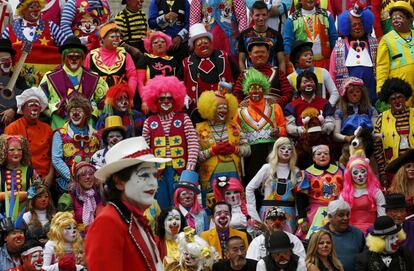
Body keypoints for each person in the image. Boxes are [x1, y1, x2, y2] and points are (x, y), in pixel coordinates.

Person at [85, 136, 170, 270]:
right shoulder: (107, 222)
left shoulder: (135, 219)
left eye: (154, 175)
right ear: (119, 182)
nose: (153, 182)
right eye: (144, 175)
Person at [142, 76, 199, 209]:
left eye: (170, 98)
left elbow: (193, 143)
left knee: (182, 206)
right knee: (162, 207)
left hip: (181, 171)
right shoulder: (149, 122)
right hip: (158, 173)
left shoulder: (184, 118)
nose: (166, 101)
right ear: (155, 100)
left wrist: (190, 168)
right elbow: (144, 149)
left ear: (176, 99)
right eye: (162, 98)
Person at [39, 36, 108, 130]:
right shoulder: (49, 77)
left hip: (88, 128)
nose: (74, 59)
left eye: (77, 56)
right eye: (70, 56)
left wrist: (93, 112)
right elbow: (39, 101)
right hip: (60, 126)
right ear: (64, 57)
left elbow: (106, 101)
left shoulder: (94, 77)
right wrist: (53, 113)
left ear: (82, 57)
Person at [196, 90, 250, 206]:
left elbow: (248, 150)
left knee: (236, 206)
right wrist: (212, 151)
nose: (223, 110)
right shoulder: (199, 129)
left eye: (225, 107)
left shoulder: (235, 126)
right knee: (213, 209)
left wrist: (234, 149)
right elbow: (196, 157)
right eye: (219, 107)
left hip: (234, 176)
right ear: (210, 108)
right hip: (210, 178)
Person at [234, 68, 287, 187]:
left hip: (270, 152)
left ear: (264, 90)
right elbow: (234, 131)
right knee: (252, 183)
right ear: (247, 91)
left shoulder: (275, 107)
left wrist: (278, 131)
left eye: (258, 88)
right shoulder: (240, 111)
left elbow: (284, 128)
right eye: (252, 89)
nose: (255, 92)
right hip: (251, 157)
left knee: (271, 182)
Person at [246, 137, 307, 232]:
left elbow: (300, 196)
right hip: (268, 213)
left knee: (287, 242)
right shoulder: (267, 168)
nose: (286, 151)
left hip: (289, 215)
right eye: (282, 148)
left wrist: (301, 217)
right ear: (276, 149)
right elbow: (249, 188)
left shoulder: (296, 171)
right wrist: (253, 215)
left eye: (289, 149)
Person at [2, 0, 66, 87]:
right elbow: (2, 54)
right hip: (15, 86)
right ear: (23, 10)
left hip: (46, 86)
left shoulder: (51, 26)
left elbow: (67, 47)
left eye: (38, 7)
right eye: (32, 7)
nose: (36, 10)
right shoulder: (10, 30)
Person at [182, 23, 239, 113]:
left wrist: (237, 95)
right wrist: (183, 97)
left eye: (205, 42)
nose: (203, 45)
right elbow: (178, 84)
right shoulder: (186, 62)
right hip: (198, 111)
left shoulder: (224, 56)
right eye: (199, 44)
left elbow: (238, 77)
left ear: (211, 43)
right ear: (194, 48)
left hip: (224, 107)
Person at [51, 95, 100, 197]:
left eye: (79, 110)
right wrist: (72, 177)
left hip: (92, 185)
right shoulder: (60, 134)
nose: (75, 113)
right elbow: (56, 159)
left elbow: (99, 159)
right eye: (72, 111)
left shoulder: (96, 135)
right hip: (67, 186)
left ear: (86, 113)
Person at [330, 5, 378, 103]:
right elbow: (332, 74)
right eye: (354, 25)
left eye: (360, 24)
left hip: (373, 97)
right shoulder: (338, 47)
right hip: (347, 102)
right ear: (347, 26)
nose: (357, 27)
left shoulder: (376, 44)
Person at [5, 87, 54, 185]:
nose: (34, 108)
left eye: (37, 105)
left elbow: (54, 156)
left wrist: (50, 176)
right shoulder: (12, 128)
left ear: (41, 109)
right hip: (21, 177)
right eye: (31, 105)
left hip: (45, 177)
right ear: (22, 109)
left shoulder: (48, 129)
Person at [373, 78, 414, 187]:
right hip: (394, 170)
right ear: (388, 101)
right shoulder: (382, 118)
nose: (397, 101)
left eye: (400, 97)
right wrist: (382, 173)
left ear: (405, 97)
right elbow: (377, 148)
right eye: (393, 99)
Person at [232, 38, 293, 109]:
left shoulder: (278, 72)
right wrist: (240, 103)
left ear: (268, 54)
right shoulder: (244, 75)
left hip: (274, 113)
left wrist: (277, 103)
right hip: (249, 114)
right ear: (250, 55)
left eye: (263, 52)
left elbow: (288, 93)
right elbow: (236, 95)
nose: (260, 55)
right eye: (256, 52)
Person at [376, 1, 414, 105]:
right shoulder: (386, 39)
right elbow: (382, 66)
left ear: (409, 19)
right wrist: (381, 88)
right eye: (393, 18)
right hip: (401, 89)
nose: (396, 20)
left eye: (400, 17)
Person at [299, 145, 343, 234]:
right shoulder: (306, 174)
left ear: (330, 157)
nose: (323, 156)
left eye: (326, 153)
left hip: (337, 211)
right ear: (313, 158)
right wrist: (302, 218)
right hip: (315, 213)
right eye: (319, 154)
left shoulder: (340, 171)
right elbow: (301, 199)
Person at [84, 22, 137, 94]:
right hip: (98, 100)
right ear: (102, 39)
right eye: (112, 37)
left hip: (120, 99)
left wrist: (130, 94)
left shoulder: (125, 55)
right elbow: (85, 77)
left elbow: (132, 76)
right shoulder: (91, 55)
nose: (116, 39)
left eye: (118, 37)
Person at [283, 0, 338, 70]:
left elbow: (333, 38)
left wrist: (336, 61)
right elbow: (287, 43)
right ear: (300, 1)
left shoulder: (327, 15)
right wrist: (290, 66)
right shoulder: (291, 19)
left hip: (326, 64)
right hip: (302, 67)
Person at [136, 32, 182, 112]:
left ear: (167, 44)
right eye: (155, 42)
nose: (159, 44)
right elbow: (140, 82)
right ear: (150, 46)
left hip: (169, 99)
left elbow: (178, 82)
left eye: (162, 42)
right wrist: (144, 100)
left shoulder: (173, 60)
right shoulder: (145, 58)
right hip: (151, 100)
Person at [284, 70, 335, 138]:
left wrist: (318, 130)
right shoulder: (291, 106)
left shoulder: (325, 103)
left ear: (316, 85)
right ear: (298, 87)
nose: (308, 84)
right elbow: (289, 127)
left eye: (311, 82)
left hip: (322, 141)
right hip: (300, 142)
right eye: (305, 82)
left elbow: (330, 123)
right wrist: (304, 131)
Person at [287, 41, 339, 106]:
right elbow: (288, 97)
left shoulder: (323, 72)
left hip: (321, 113)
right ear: (297, 59)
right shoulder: (290, 78)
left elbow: (334, 92)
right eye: (305, 55)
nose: (309, 57)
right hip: (301, 113)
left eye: (311, 55)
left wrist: (328, 106)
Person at [341, 156, 385, 233]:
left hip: (372, 231)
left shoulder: (376, 191)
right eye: (355, 172)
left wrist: (379, 231)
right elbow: (340, 215)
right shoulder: (345, 194)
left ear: (368, 172)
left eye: (362, 171)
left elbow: (382, 215)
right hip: (350, 232)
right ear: (350, 175)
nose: (360, 175)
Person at [238, 1, 285, 73]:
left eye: (264, 15)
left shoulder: (276, 35)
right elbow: (241, 60)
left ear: (268, 15)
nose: (261, 18)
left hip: (271, 77)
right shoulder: (244, 35)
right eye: (257, 15)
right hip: (251, 78)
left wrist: (282, 79)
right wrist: (245, 77)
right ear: (251, 15)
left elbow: (281, 61)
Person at [322, 199, 365, 271]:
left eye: (347, 214)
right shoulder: (319, 235)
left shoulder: (357, 233)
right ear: (330, 217)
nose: (346, 218)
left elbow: (364, 260)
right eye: (341, 215)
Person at [333, 77, 378, 146]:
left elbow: (376, 129)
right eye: (351, 92)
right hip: (349, 146)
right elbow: (336, 134)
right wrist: (346, 138)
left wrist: (370, 137)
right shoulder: (340, 111)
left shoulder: (370, 109)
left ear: (362, 93)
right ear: (345, 95)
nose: (355, 94)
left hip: (368, 145)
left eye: (357, 91)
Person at [0, 135, 38, 215]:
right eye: (11, 150)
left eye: (19, 150)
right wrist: (4, 195)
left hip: (26, 214)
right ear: (4, 151)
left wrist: (26, 194)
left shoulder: (30, 171)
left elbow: (39, 189)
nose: (16, 153)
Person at [0, 38, 27, 134]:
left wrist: (13, 109)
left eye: (9, 59)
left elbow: (27, 96)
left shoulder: (19, 79)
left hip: (14, 127)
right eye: (3, 60)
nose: (7, 63)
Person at [68, 162, 102, 234]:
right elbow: (67, 225)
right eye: (83, 175)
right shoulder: (70, 197)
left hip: (99, 233)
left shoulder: (100, 193)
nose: (88, 177)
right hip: (78, 238)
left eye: (91, 174)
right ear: (77, 179)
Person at [173, 170, 209, 235]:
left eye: (191, 194)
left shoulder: (203, 213)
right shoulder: (172, 214)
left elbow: (207, 234)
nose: (187, 197)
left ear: (194, 197)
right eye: (183, 194)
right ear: (177, 196)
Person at [23, 181, 55, 245]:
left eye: (46, 196)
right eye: (39, 196)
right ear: (33, 199)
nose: (44, 199)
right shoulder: (26, 216)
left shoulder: (55, 215)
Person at [387, 149, 414, 215]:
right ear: (401, 171)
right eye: (408, 166)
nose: (412, 169)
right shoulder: (394, 191)